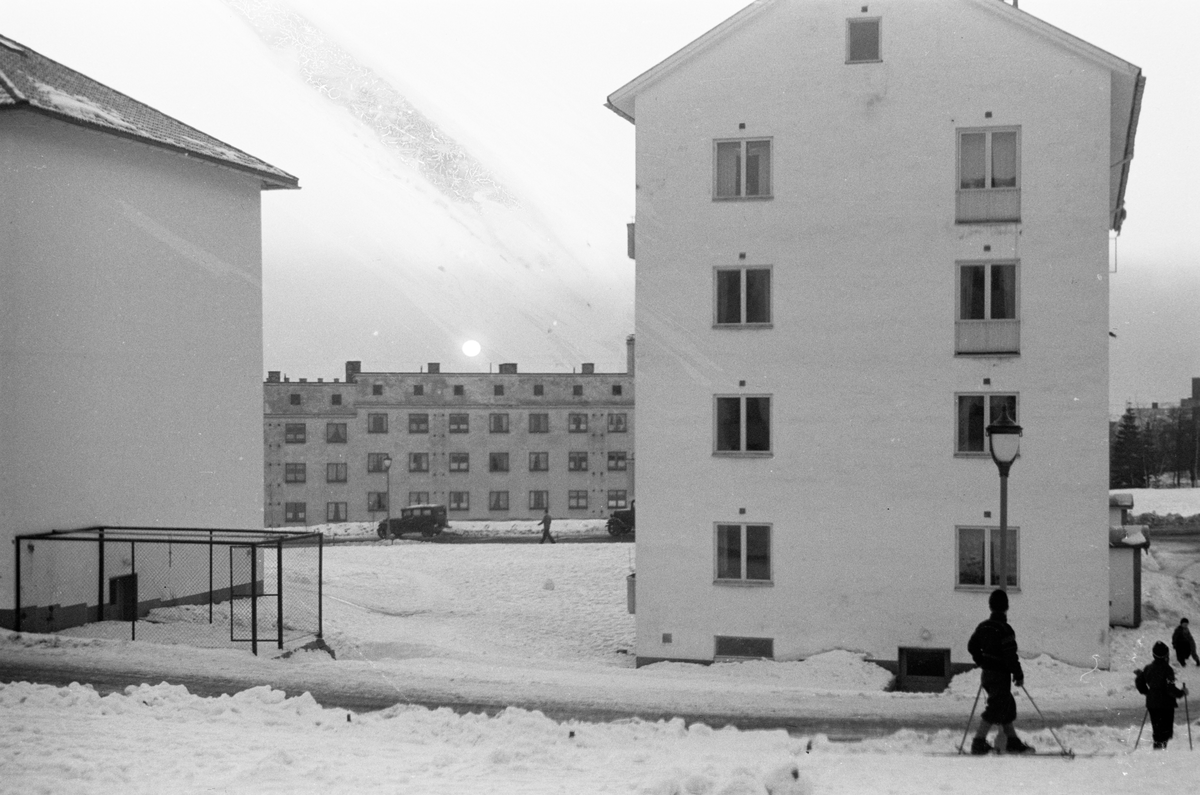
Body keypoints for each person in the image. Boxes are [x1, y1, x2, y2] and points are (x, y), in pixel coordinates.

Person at [967, 589, 1033, 754]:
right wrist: (1018, 675)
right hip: (1000, 676)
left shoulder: (983, 627)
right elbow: (1010, 656)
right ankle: (978, 742)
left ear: (990, 606)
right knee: (996, 708)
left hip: (987, 675)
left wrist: (981, 661)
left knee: (1007, 706)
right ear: (1006, 607)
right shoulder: (1005, 630)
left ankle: (1012, 741)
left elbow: (972, 646)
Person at [1135, 641, 1188, 750]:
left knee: (1157, 729)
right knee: (1165, 732)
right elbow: (1170, 688)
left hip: (1152, 703)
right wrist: (1182, 692)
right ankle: (1160, 753)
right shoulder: (1167, 669)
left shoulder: (1148, 668)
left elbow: (1140, 682)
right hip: (1166, 705)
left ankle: (1158, 750)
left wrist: (1147, 692)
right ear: (1166, 655)